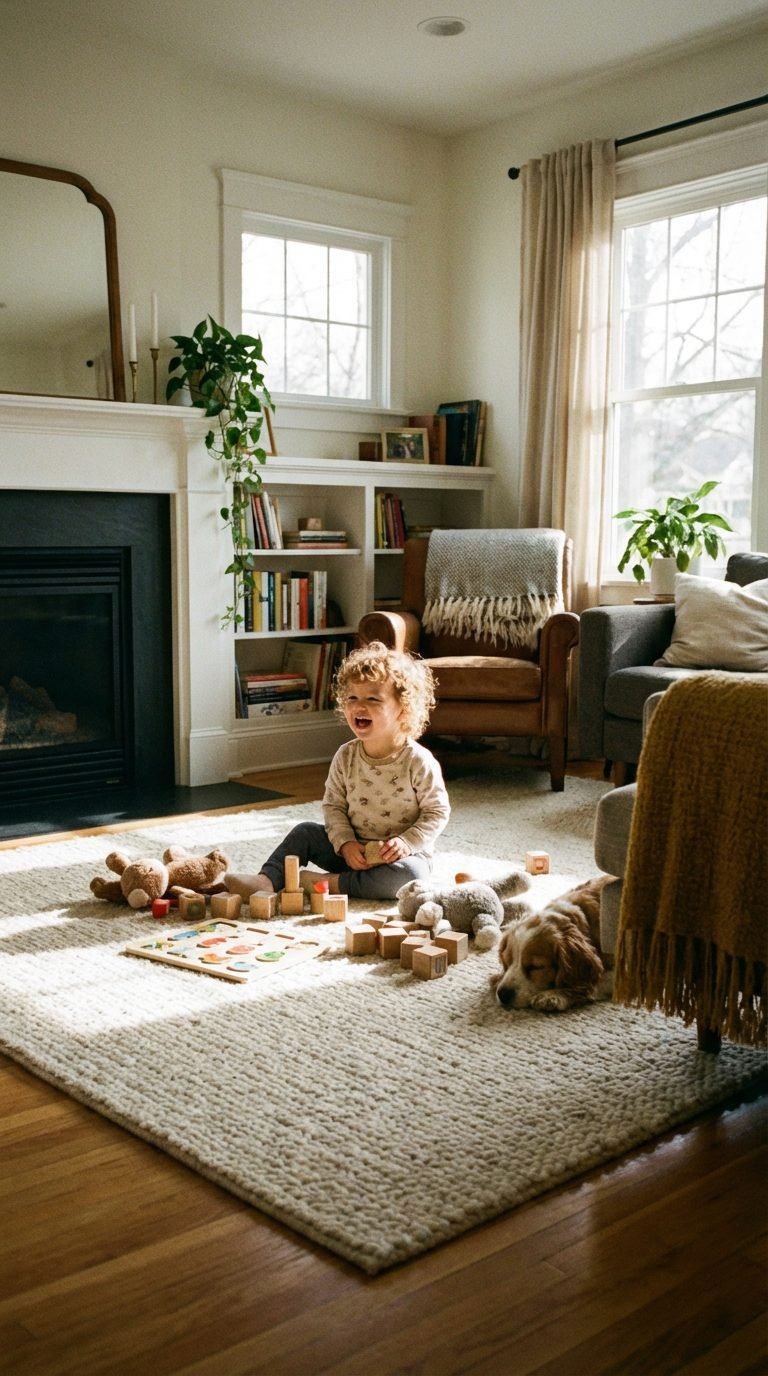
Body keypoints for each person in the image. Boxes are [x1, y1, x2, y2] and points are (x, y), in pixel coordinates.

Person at [224, 640, 450, 901]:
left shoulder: (418, 760)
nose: (358, 706)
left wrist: (407, 842)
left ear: (403, 708)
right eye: (352, 698)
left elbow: (437, 811)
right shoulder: (346, 756)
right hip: (350, 851)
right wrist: (345, 843)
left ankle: (328, 884)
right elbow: (334, 807)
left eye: (373, 699)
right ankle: (267, 879)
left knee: (410, 877)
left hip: (399, 856)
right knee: (305, 832)